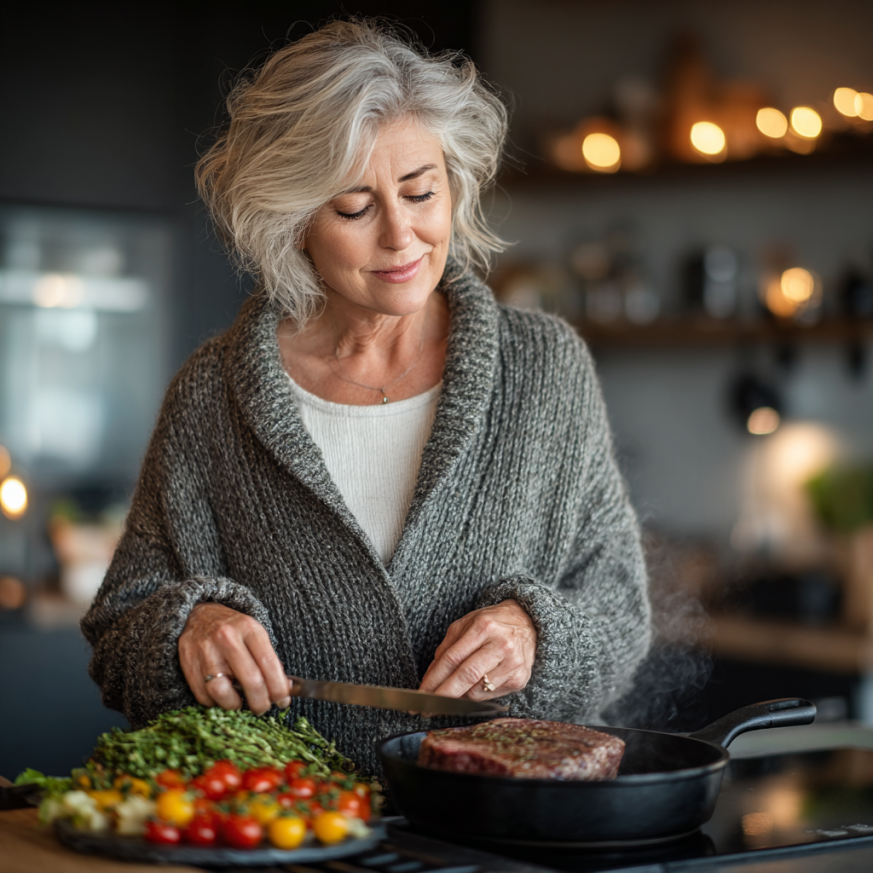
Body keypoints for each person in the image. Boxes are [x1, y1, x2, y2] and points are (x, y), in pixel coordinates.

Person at [81, 19, 651, 777]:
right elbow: (120, 628)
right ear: (294, 222)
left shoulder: (544, 369)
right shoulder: (211, 395)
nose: (401, 235)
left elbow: (619, 612)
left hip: (500, 827)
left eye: (421, 191)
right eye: (354, 208)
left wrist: (535, 635)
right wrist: (187, 628)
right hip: (289, 824)